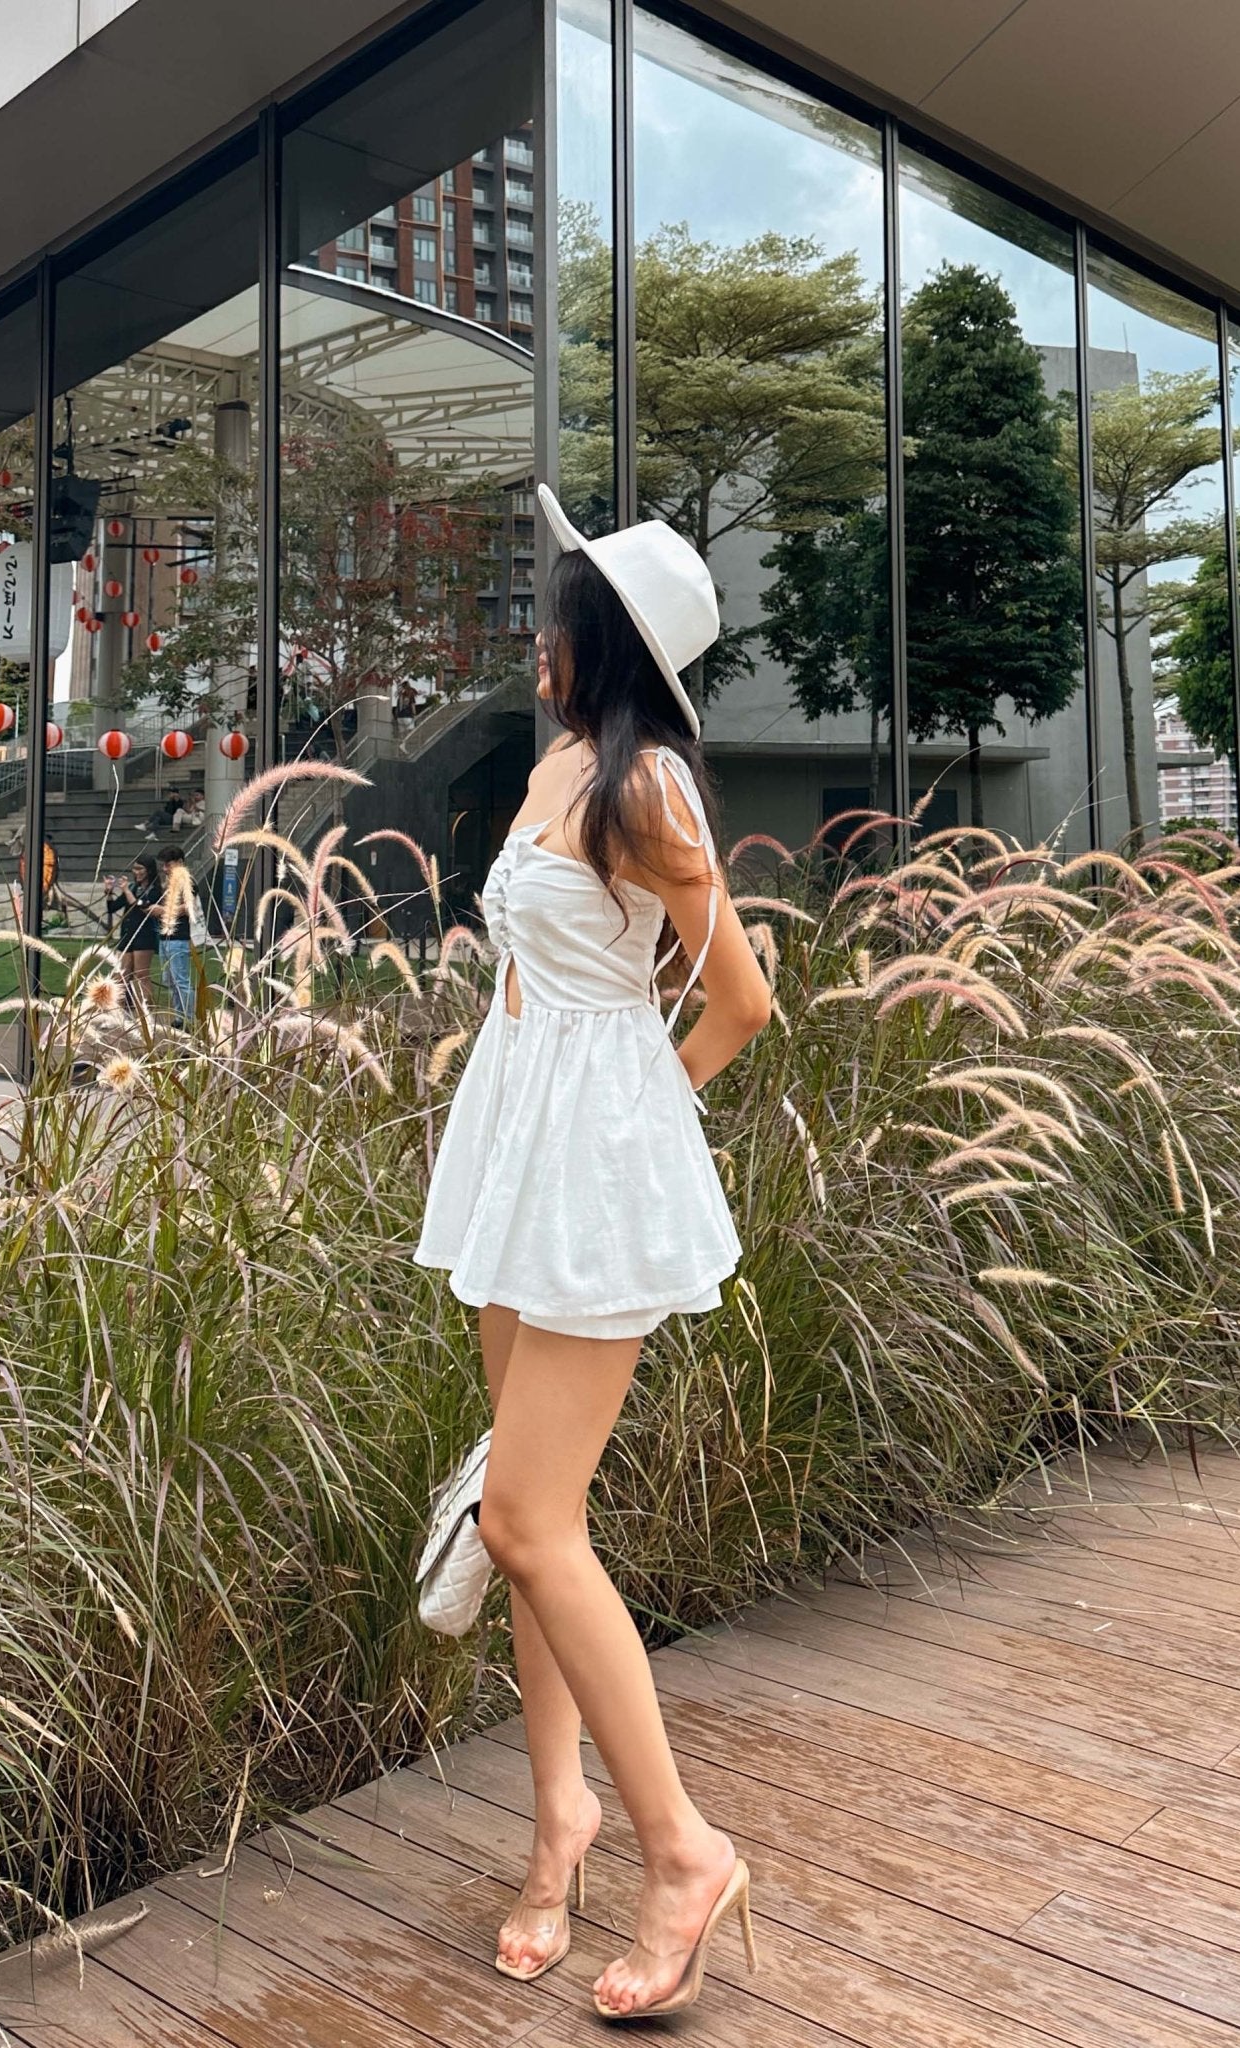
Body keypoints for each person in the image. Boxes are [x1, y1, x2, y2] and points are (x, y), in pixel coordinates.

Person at [413, 486, 772, 2020]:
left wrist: (634, 1125)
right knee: (523, 1522)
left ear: (599, 642)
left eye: (553, 617)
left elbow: (738, 1001)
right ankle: (558, 1821)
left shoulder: (648, 790)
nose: (534, 636)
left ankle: (681, 1851)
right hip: (514, 1156)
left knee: (527, 1518)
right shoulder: (558, 762)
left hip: (589, 1174)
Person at [104, 855, 161, 1010]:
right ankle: (119, 1009)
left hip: (144, 936)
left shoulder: (155, 890)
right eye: (134, 868)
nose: (136, 872)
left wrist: (126, 891)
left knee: (141, 974)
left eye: (140, 868)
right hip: (127, 934)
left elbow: (143, 906)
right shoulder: (133, 888)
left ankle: (148, 1010)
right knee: (121, 974)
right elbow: (112, 908)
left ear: (148, 870)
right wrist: (109, 892)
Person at [156, 844, 197, 1023]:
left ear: (179, 862)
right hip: (165, 936)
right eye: (163, 865)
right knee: (170, 980)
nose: (165, 869)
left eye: (168, 864)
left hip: (178, 937)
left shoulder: (187, 881)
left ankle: (189, 1018)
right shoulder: (167, 883)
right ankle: (179, 1017)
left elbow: (189, 907)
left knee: (181, 980)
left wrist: (165, 910)